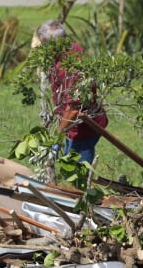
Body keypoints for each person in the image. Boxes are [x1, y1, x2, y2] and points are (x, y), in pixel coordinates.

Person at [33, 20, 108, 165]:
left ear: (50, 43)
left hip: (84, 127)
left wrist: (57, 136)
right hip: (71, 125)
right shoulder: (68, 49)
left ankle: (80, 187)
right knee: (67, 163)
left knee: (75, 170)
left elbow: (73, 108)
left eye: (43, 44)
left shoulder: (72, 66)